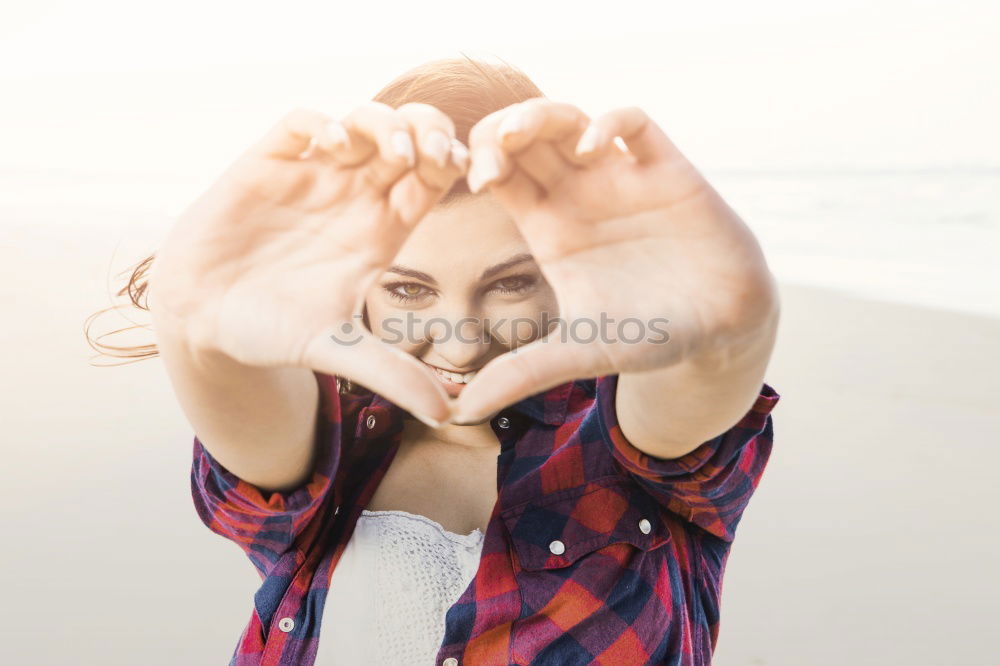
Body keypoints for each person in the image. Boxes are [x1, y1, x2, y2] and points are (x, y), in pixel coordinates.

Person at [93, 56, 781, 665]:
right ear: (353, 283)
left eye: (510, 282)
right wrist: (189, 318)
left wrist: (729, 331)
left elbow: (698, 380)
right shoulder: (324, 443)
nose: (458, 343)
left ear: (565, 271)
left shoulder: (624, 444)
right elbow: (225, 373)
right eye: (407, 289)